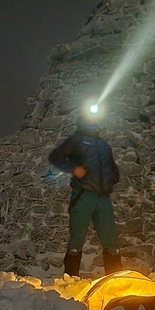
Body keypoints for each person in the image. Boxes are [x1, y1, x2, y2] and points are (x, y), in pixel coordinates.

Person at [48, 116, 122, 277]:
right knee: (77, 240)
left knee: (111, 241)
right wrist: (74, 169)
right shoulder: (77, 140)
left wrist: (112, 178)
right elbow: (55, 157)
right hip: (83, 194)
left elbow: (112, 167)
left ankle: (116, 279)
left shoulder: (103, 145)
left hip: (103, 197)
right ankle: (70, 280)